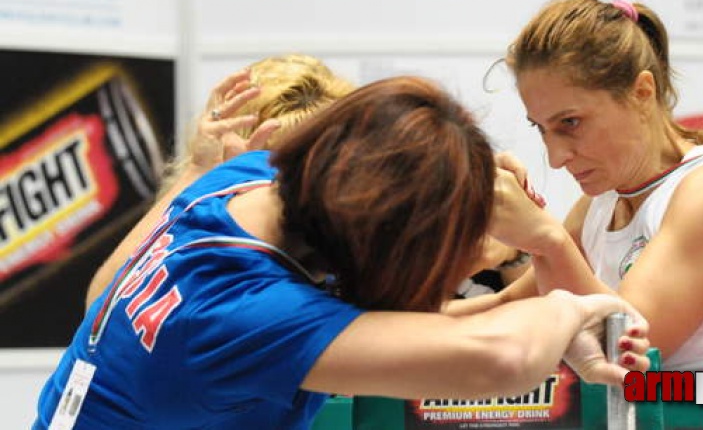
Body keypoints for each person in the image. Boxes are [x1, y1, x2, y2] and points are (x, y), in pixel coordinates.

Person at [34, 74, 650, 430]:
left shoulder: (246, 179)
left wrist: (460, 172)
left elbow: (99, 303)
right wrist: (563, 301)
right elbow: (501, 358)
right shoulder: (241, 311)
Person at [473, 0, 703, 429]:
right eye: (541, 128)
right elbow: (505, 308)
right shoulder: (600, 203)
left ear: (642, 92)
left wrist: (544, 238)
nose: (556, 156)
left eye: (571, 123)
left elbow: (629, 349)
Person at [86, 54, 356, 307]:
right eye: (275, 168)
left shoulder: (356, 232)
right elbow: (103, 306)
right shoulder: (204, 227)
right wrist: (204, 174)